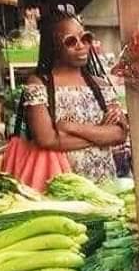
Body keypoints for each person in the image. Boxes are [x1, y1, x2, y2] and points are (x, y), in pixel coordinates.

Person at [23, 11, 127, 183]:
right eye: (71, 41)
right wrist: (100, 134)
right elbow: (46, 139)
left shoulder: (100, 84)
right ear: (54, 45)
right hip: (63, 188)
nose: (81, 46)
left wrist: (70, 127)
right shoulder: (39, 84)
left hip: (105, 186)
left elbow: (119, 134)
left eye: (85, 38)